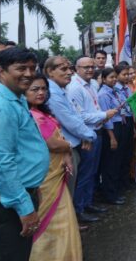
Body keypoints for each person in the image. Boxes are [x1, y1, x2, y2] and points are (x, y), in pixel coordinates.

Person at [0, 47, 49, 261]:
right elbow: (1, 161)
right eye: (21, 68)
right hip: (2, 199)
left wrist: (32, 187)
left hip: (13, 193)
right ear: (1, 70)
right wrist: (23, 205)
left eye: (32, 68)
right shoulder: (0, 106)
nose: (29, 74)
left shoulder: (16, 98)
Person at [26, 75, 82, 261]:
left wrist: (65, 151)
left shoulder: (40, 111)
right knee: (50, 218)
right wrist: (67, 147)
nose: (41, 93)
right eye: (35, 89)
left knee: (62, 214)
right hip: (45, 174)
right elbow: (52, 143)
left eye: (44, 89)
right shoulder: (31, 115)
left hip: (56, 172)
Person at [67, 57, 117, 223]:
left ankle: (87, 203)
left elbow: (94, 108)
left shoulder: (92, 85)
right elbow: (79, 117)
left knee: (92, 172)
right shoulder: (75, 88)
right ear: (77, 69)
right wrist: (104, 115)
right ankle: (79, 209)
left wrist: (102, 116)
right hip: (87, 136)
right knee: (85, 174)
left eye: (91, 67)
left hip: (97, 132)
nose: (90, 69)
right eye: (86, 67)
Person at [44, 56, 97, 199]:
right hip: (65, 149)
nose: (69, 72)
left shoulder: (62, 90)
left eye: (69, 68)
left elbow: (76, 115)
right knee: (66, 194)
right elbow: (70, 121)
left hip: (75, 144)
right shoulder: (52, 94)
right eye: (63, 69)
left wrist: (84, 135)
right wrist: (90, 135)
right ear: (50, 71)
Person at [97, 67, 130, 204]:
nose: (114, 79)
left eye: (115, 77)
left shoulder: (115, 91)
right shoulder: (103, 94)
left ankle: (116, 190)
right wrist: (112, 137)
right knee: (111, 163)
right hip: (112, 129)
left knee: (119, 160)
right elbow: (106, 119)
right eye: (111, 77)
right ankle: (110, 195)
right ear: (104, 79)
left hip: (121, 125)